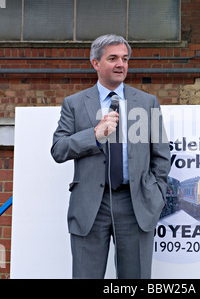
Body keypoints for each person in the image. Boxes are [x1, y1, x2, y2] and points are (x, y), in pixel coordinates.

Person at [51, 34, 171, 279]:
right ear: (95, 63)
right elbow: (59, 149)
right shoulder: (74, 104)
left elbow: (161, 155)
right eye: (113, 58)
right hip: (91, 206)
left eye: (125, 59)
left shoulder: (147, 103)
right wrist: (94, 135)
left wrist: (156, 195)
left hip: (135, 203)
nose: (121, 64)